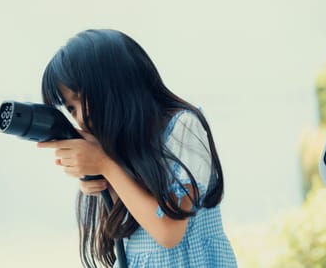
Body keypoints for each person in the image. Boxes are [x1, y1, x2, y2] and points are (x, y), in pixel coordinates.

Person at [37, 29, 237, 268]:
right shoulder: (123, 150)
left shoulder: (183, 127)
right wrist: (103, 181)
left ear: (116, 82)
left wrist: (105, 165)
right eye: (71, 108)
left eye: (82, 98)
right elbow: (135, 224)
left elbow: (167, 233)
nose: (81, 116)